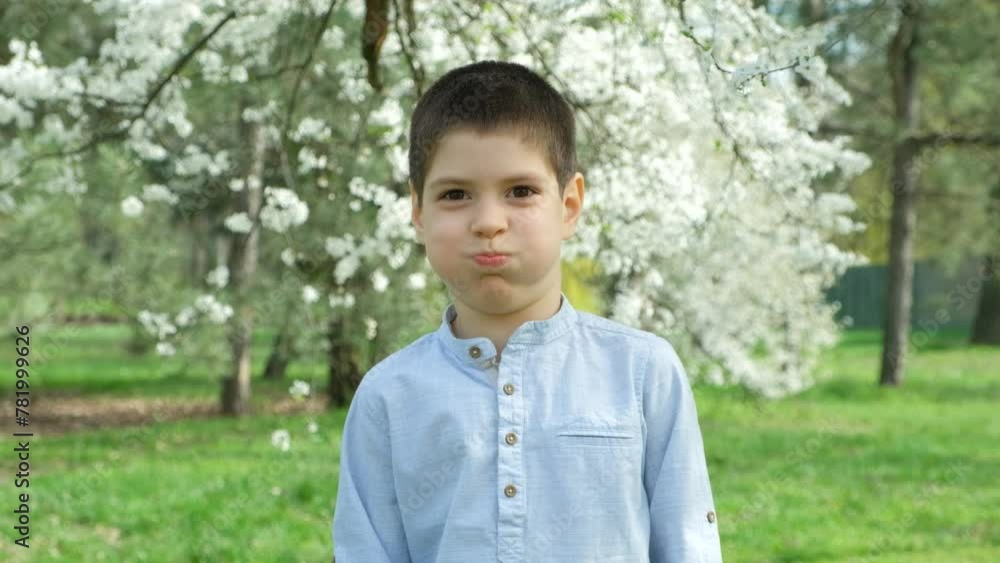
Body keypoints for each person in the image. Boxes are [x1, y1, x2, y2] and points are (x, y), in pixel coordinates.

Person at [333, 60, 723, 563]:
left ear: (569, 205)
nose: (488, 222)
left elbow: (690, 545)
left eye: (521, 191)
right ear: (418, 212)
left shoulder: (642, 372)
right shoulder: (388, 396)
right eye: (455, 194)